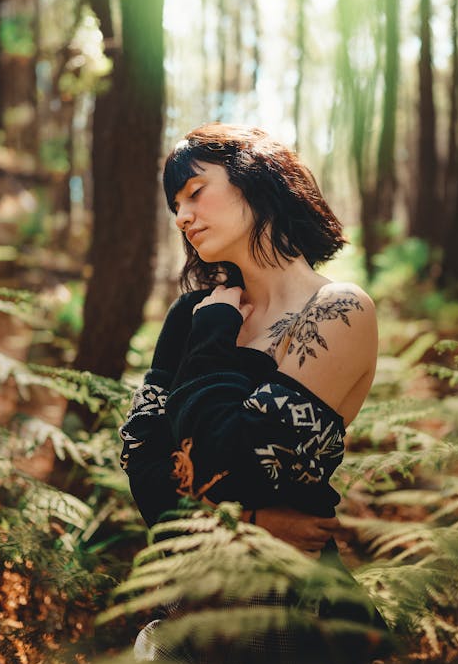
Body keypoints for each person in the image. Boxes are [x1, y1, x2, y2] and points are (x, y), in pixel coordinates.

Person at [119, 122, 378, 563]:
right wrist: (254, 524)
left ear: (257, 178)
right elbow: (140, 460)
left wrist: (212, 339)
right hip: (183, 593)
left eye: (195, 192)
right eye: (176, 206)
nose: (181, 217)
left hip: (285, 600)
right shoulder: (193, 315)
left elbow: (244, 468)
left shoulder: (337, 310)